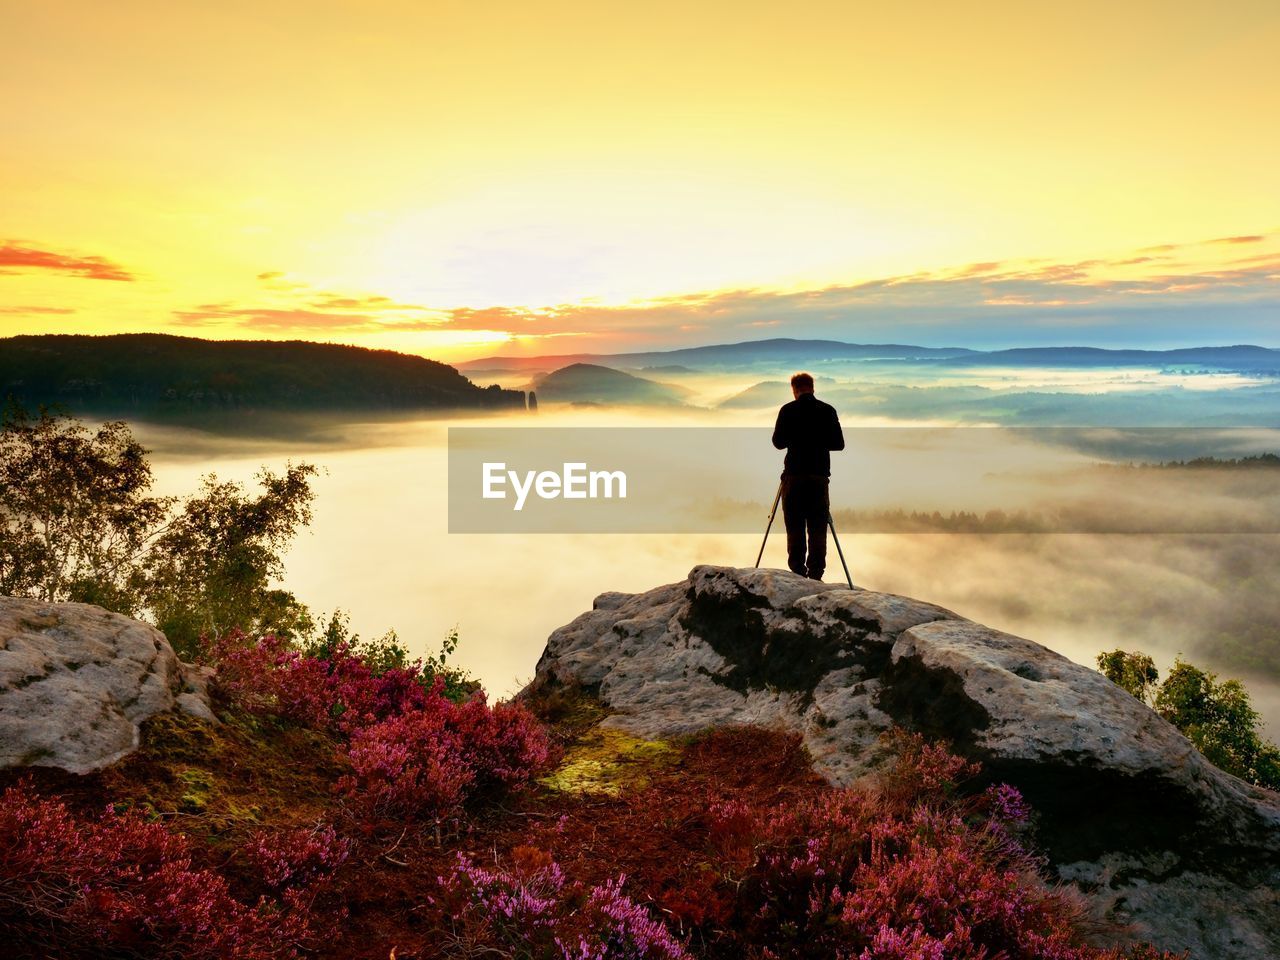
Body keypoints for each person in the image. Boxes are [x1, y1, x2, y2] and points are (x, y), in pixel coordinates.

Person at [771, 371, 844, 580]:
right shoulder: (828, 410)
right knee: (817, 526)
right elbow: (838, 444)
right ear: (812, 388)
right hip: (818, 477)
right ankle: (816, 573)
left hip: (793, 476)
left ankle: (797, 571)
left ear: (794, 390)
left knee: (794, 525)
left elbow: (778, 443)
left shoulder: (787, 410)